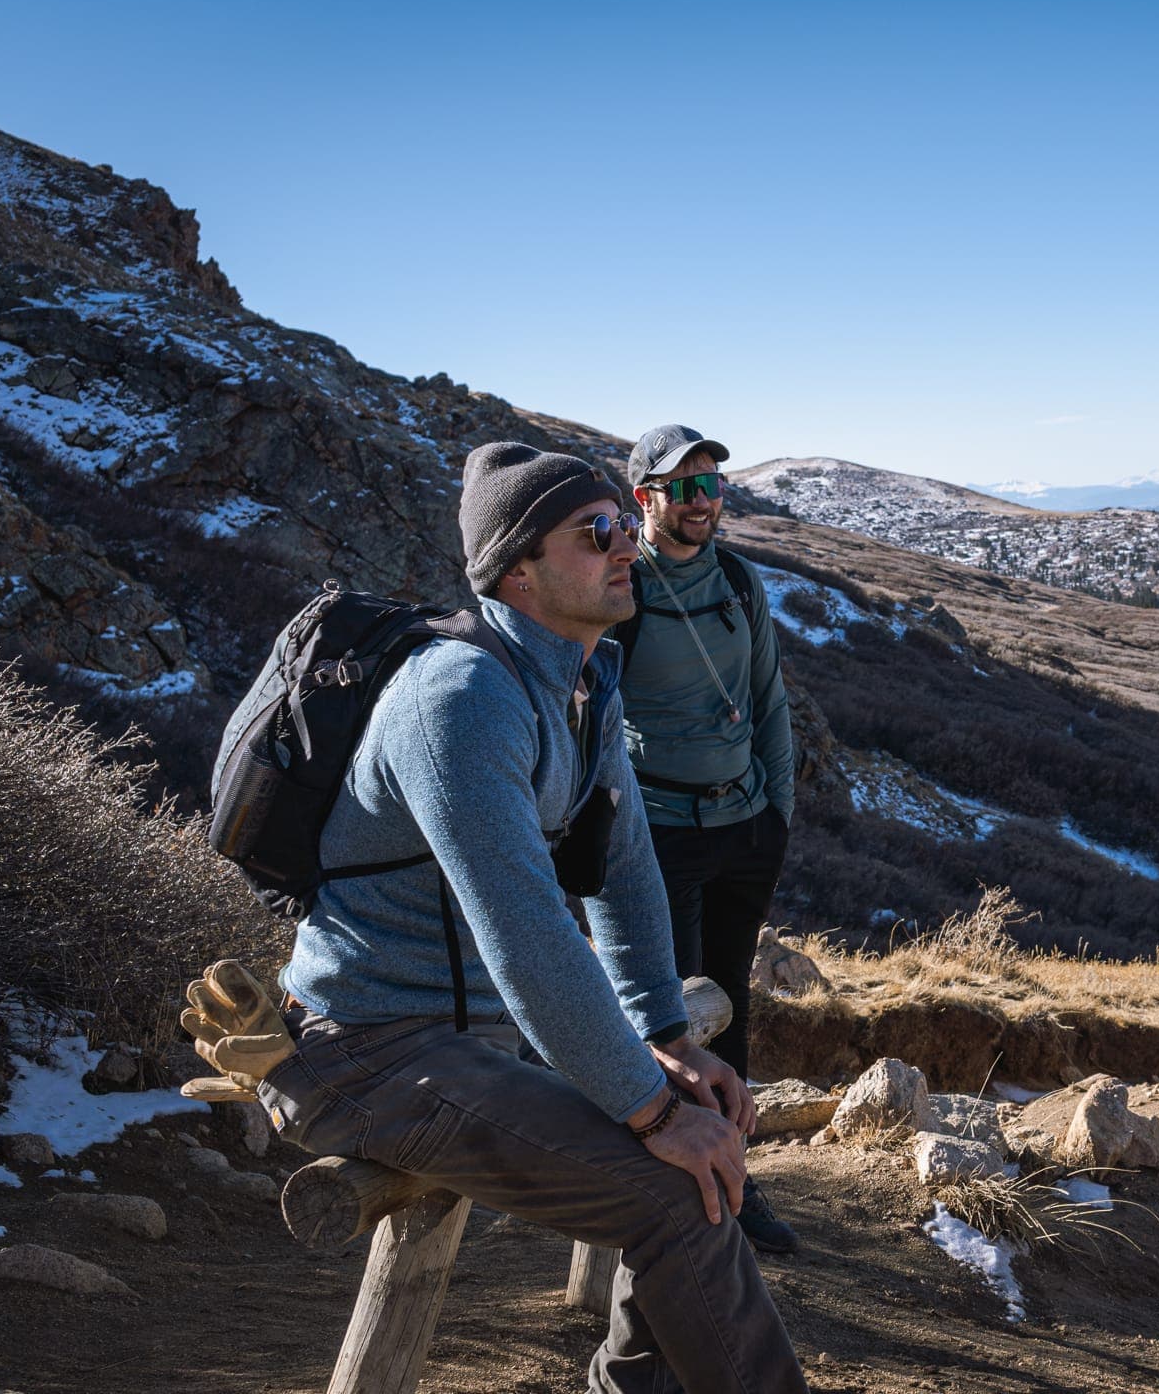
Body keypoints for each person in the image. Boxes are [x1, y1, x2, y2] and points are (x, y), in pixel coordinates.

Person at [226, 441, 808, 1394]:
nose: (627, 545)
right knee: (674, 1186)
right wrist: (649, 1105)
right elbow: (528, 932)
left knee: (700, 1137)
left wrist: (666, 1036)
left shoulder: (580, 681)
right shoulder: (462, 698)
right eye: (596, 532)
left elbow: (622, 873)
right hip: (369, 1050)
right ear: (517, 572)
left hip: (475, 1037)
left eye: (625, 523)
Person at [619, 424, 799, 1252]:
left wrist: (777, 819)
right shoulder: (622, 587)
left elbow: (768, 702)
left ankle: (736, 1179)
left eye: (712, 487)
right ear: (643, 498)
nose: (701, 503)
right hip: (661, 835)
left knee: (731, 1004)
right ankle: (688, 1193)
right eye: (683, 488)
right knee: (674, 1019)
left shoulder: (736, 578)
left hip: (744, 828)